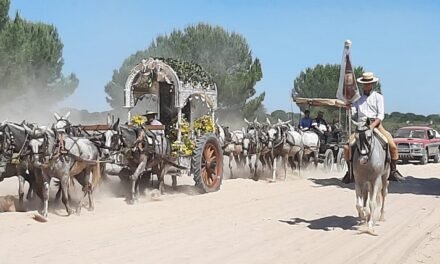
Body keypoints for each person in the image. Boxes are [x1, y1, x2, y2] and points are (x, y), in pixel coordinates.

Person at [341, 72, 404, 183]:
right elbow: (354, 111)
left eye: (368, 83)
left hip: (376, 125)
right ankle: (350, 171)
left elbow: (380, 116)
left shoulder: (378, 97)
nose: (366, 85)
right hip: (361, 126)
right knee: (347, 147)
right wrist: (348, 107)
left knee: (392, 146)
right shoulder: (358, 99)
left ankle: (393, 170)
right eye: (365, 83)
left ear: (372, 84)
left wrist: (371, 126)